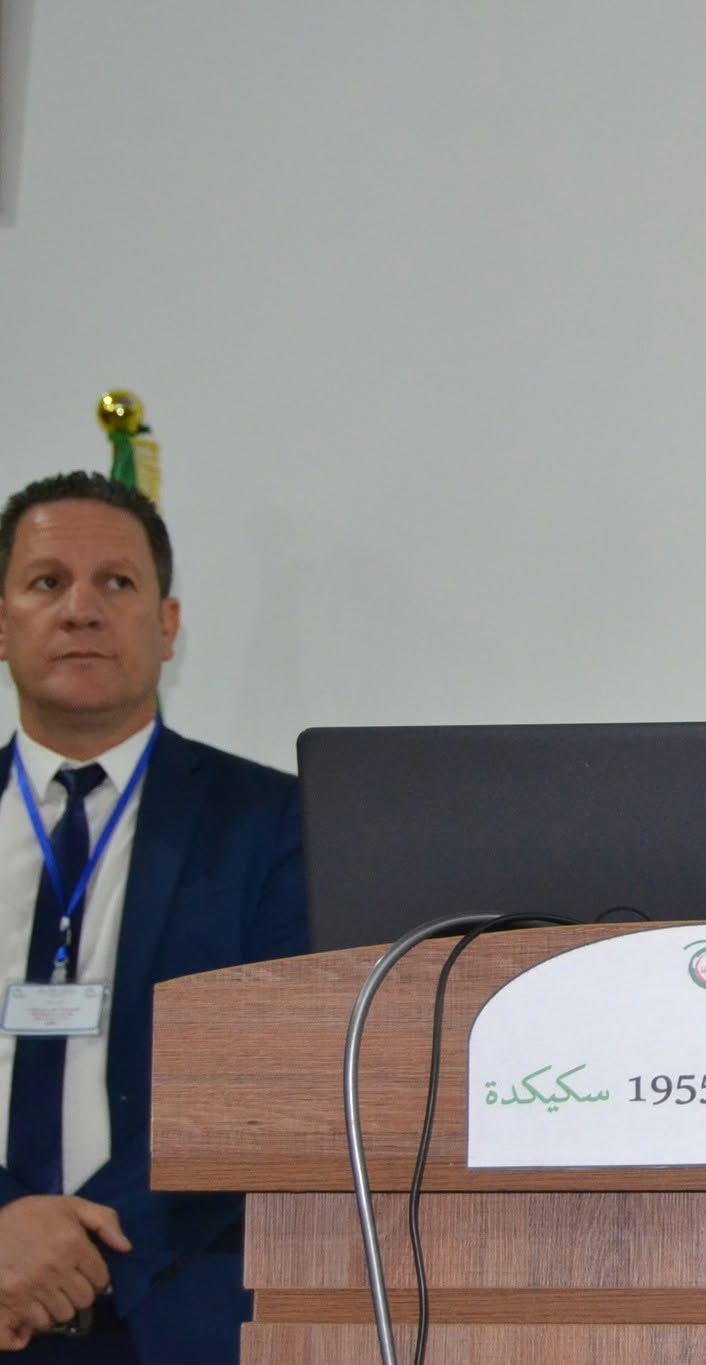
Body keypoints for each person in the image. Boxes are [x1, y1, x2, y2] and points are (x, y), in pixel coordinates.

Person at [0, 473, 307, 1362]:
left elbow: (274, 1075)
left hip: (173, 1304)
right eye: (48, 582)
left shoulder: (275, 822)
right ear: (2, 621)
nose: (82, 609)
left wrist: (77, 1251)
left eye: (117, 582)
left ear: (168, 626)